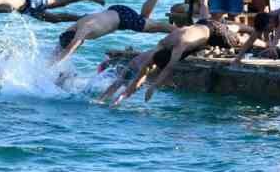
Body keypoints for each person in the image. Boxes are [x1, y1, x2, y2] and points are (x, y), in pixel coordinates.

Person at [103, 18, 244, 106]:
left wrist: (153, 87)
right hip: (203, 24)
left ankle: (256, 37)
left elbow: (169, 68)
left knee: (237, 40)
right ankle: (112, 98)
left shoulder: (178, 47)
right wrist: (128, 92)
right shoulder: (163, 43)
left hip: (214, 32)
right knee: (144, 69)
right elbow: (145, 70)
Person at [53, 0, 177, 60]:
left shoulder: (81, 32)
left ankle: (182, 31)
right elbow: (61, 44)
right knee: (144, 18)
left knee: (157, 27)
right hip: (115, 11)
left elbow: (69, 50)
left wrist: (52, 67)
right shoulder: (76, 26)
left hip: (123, 19)